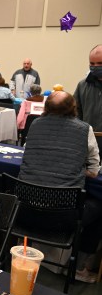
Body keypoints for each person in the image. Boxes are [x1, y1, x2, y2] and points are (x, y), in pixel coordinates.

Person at [19, 91, 101, 283]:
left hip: (24, 213)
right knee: (99, 206)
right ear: (73, 108)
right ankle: (80, 268)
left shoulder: (36, 124)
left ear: (46, 108)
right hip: (63, 218)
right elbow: (94, 170)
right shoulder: (84, 129)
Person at [74, 44, 102, 132]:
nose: (96, 66)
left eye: (100, 63)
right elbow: (75, 113)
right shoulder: (82, 85)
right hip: (88, 139)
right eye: (92, 63)